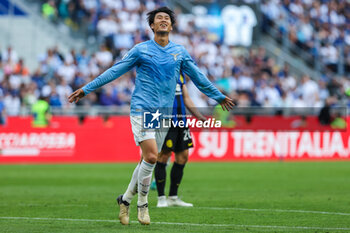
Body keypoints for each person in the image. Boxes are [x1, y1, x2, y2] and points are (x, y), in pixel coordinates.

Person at [68, 7, 234, 225]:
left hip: (164, 113)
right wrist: (87, 89)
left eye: (167, 18)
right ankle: (142, 204)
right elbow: (115, 71)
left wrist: (218, 96)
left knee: (147, 160)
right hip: (142, 109)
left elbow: (199, 77)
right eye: (159, 19)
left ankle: (125, 199)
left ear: (172, 26)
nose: (163, 21)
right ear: (152, 26)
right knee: (153, 157)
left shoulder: (180, 52)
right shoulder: (141, 50)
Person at [155, 73, 206, 208]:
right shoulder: (161, 74)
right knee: (163, 156)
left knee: (183, 157)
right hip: (166, 121)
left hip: (181, 121)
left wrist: (199, 116)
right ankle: (161, 198)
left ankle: (173, 197)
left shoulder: (180, 76)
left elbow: (186, 98)